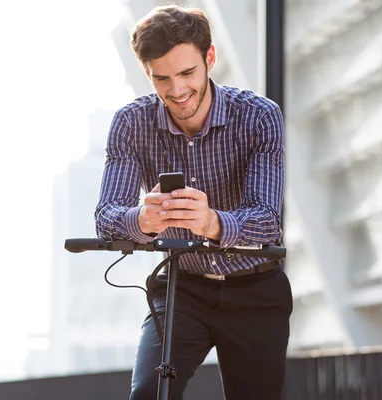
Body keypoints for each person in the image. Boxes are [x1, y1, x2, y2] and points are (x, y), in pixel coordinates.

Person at [94, 4, 292, 400]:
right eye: (161, 78)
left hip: (256, 288)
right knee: (149, 393)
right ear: (147, 73)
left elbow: (268, 221)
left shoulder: (259, 117)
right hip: (182, 288)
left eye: (187, 73)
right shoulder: (131, 123)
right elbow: (107, 218)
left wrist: (211, 222)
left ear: (210, 58)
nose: (177, 90)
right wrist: (142, 221)